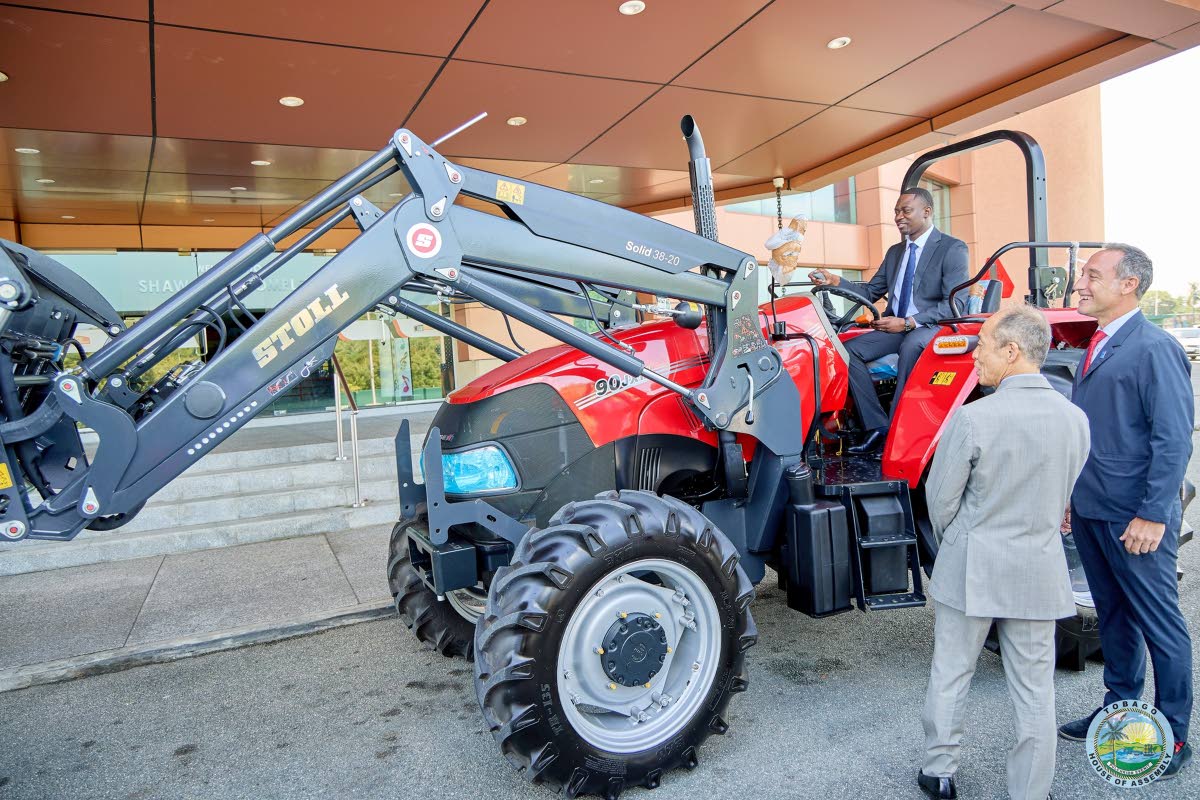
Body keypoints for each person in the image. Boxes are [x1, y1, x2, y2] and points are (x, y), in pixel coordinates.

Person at [918, 305, 1090, 800]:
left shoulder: (975, 417)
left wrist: (959, 541)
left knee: (952, 671)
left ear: (1011, 352)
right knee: (1035, 688)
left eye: (984, 344)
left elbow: (941, 499)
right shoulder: (1075, 418)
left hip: (972, 563)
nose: (976, 354)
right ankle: (1031, 791)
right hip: (1038, 567)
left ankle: (940, 771)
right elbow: (1064, 494)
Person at [1056, 244, 1194, 779]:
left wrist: (1156, 515)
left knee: (1160, 625)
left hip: (1135, 517)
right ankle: (1119, 711)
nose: (1081, 284)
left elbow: (1173, 440)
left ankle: (1174, 734)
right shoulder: (1101, 342)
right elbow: (1097, 433)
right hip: (1094, 510)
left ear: (1129, 284)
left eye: (1092, 275)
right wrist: (1073, 496)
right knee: (1112, 618)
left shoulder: (1154, 347)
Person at [809, 188, 968, 453]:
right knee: (847, 351)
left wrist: (907, 323)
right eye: (896, 211)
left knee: (911, 347)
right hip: (896, 327)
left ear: (927, 212)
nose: (898, 216)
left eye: (905, 211)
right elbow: (871, 292)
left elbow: (955, 305)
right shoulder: (896, 252)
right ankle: (878, 428)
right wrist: (835, 281)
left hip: (931, 327)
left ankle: (900, 431)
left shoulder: (952, 248)